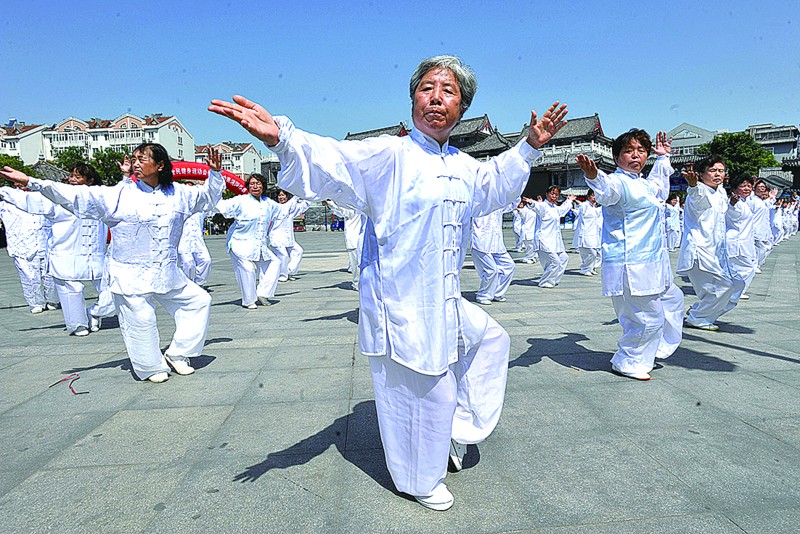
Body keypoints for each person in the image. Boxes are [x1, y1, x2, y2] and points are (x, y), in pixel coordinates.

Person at [210, 54, 567, 511]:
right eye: (427, 88)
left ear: (462, 107)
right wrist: (284, 138)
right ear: (413, 97)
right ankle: (419, 478)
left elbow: (496, 185)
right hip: (401, 300)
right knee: (418, 391)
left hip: (445, 298)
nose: (436, 98)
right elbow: (334, 160)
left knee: (491, 340)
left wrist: (530, 146)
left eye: (448, 91)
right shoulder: (389, 154)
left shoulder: (464, 164)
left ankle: (452, 430)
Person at [0, 144, 224, 383]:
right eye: (135, 159)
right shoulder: (118, 194)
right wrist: (32, 182)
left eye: (142, 159)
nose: (136, 163)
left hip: (166, 271)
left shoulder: (180, 193)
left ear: (160, 165)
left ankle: (179, 353)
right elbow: (76, 195)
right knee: (141, 318)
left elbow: (207, 198)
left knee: (199, 301)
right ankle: (150, 367)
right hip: (129, 272)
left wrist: (215, 174)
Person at [576, 129, 683, 380]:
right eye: (628, 151)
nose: (636, 155)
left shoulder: (644, 184)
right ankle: (628, 360)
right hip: (631, 263)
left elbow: (659, 188)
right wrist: (593, 176)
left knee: (673, 301)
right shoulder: (619, 182)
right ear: (616, 157)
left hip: (655, 261)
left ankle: (651, 350)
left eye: (641, 151)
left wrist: (663, 158)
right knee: (647, 318)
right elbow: (607, 190)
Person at [0, 163, 115, 335]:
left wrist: (127, 177)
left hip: (95, 257)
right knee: (71, 290)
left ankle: (94, 313)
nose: (72, 180)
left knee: (115, 291)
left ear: (90, 181)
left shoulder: (101, 198)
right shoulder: (57, 199)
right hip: (65, 255)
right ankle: (78, 325)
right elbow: (28, 199)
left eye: (78, 177)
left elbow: (125, 197)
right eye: (71, 176)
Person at [676, 155, 734, 331]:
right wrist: (693, 185)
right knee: (725, 285)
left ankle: (699, 311)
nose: (718, 174)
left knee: (720, 288)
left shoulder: (720, 192)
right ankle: (698, 316)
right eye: (713, 170)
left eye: (721, 170)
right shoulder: (699, 191)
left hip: (713, 250)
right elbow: (697, 198)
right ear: (701, 174)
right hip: (699, 249)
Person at [216, 173, 282, 308]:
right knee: (247, 269)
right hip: (239, 242)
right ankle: (249, 301)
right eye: (252, 184)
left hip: (258, 244)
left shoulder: (269, 204)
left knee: (274, 263)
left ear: (263, 186)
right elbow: (222, 206)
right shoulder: (240, 201)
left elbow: (284, 211)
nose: (255, 186)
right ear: (248, 186)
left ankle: (263, 293)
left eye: (258, 184)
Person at [0, 186, 59, 313]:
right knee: (29, 276)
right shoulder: (6, 205)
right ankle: (35, 303)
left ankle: (53, 300)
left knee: (50, 274)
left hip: (46, 243)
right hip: (21, 246)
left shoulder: (43, 200)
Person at [471, 204, 516, 305]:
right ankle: (483, 295)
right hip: (481, 242)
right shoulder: (479, 203)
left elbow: (513, 203)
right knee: (491, 270)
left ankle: (496, 293)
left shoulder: (499, 204)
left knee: (509, 266)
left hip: (496, 243)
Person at [531, 185, 575, 288]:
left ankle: (553, 279)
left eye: (556, 194)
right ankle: (545, 282)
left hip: (555, 241)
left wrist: (569, 201)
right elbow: (537, 206)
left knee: (564, 258)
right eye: (552, 193)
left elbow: (563, 210)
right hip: (544, 239)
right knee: (555, 261)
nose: (554, 196)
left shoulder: (554, 208)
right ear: (547, 194)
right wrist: (531, 203)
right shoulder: (543, 206)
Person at [723, 175, 756, 306]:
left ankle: (734, 291)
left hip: (742, 241)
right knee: (747, 268)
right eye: (743, 186)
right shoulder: (735, 202)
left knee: (738, 269)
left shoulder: (745, 202)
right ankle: (735, 292)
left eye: (749, 186)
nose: (747, 188)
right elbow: (733, 211)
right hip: (735, 241)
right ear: (735, 188)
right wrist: (733, 203)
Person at [269, 189, 310, 282]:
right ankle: (283, 275)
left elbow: (303, 206)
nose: (281, 197)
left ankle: (289, 271)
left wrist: (310, 196)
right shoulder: (276, 207)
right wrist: (297, 194)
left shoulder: (291, 209)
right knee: (283, 256)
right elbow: (287, 207)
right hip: (276, 238)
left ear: (286, 197)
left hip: (288, 238)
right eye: (279, 196)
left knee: (298, 251)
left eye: (283, 195)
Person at [325, 199, 366, 290]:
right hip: (355, 238)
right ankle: (358, 283)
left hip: (355, 238)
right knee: (356, 264)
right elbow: (341, 213)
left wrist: (331, 203)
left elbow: (346, 212)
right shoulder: (355, 204)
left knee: (356, 264)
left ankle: (358, 283)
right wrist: (331, 204)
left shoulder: (354, 205)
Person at [178, 182, 213, 287]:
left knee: (206, 261)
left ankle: (199, 284)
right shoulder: (177, 206)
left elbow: (213, 202)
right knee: (188, 264)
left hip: (198, 241)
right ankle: (187, 286)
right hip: (182, 241)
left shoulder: (201, 208)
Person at [571, 189, 603, 276]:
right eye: (593, 195)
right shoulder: (585, 205)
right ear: (588, 196)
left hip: (593, 234)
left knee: (596, 253)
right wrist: (575, 200)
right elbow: (581, 206)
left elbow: (601, 210)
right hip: (585, 234)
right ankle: (585, 268)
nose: (595, 198)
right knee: (591, 253)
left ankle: (591, 268)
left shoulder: (594, 207)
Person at [748, 180, 776, 272]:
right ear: (754, 189)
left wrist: (771, 197)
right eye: (759, 187)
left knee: (768, 246)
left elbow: (767, 205)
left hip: (764, 228)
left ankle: (757, 264)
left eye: (763, 187)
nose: (761, 189)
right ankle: (754, 265)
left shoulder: (761, 201)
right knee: (759, 248)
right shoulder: (751, 199)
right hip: (755, 228)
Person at [515, 197, 538, 264]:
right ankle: (528, 257)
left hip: (532, 230)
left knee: (532, 245)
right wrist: (517, 209)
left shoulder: (533, 210)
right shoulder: (524, 210)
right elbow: (521, 212)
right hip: (527, 230)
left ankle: (531, 256)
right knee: (529, 246)